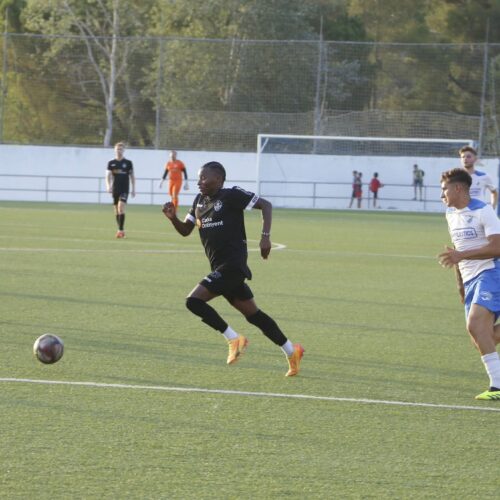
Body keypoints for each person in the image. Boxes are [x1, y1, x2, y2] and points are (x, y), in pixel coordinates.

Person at [161, 161, 304, 376]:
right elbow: (185, 230)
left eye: (203, 177)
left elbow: (266, 205)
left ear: (218, 179)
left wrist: (265, 238)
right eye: (199, 178)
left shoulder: (231, 195)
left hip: (233, 266)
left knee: (193, 301)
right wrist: (173, 219)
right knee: (254, 316)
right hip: (220, 268)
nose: (199, 182)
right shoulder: (199, 201)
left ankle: (233, 339)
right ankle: (292, 351)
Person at [438, 167, 500, 401]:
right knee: (483, 338)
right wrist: (461, 284)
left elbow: (497, 248)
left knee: (475, 325)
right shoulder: (450, 214)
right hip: (470, 278)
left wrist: (462, 257)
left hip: (491, 272)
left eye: (444, 190)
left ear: (458, 189)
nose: (442, 195)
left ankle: (497, 386)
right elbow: (456, 252)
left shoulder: (484, 211)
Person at [105, 142, 135, 238]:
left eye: (121, 149)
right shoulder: (111, 163)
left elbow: (132, 176)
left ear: (124, 150)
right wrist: (108, 186)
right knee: (116, 210)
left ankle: (120, 230)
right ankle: (120, 229)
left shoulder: (128, 163)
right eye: (118, 149)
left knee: (121, 207)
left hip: (124, 189)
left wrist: (134, 189)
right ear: (115, 150)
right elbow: (107, 176)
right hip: (115, 189)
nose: (119, 151)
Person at [459, 145, 498, 210]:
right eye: (463, 157)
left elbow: (494, 192)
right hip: (462, 213)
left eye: (468, 156)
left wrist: (493, 208)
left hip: (480, 213)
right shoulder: (456, 177)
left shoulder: (484, 176)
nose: (465, 159)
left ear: (475, 159)